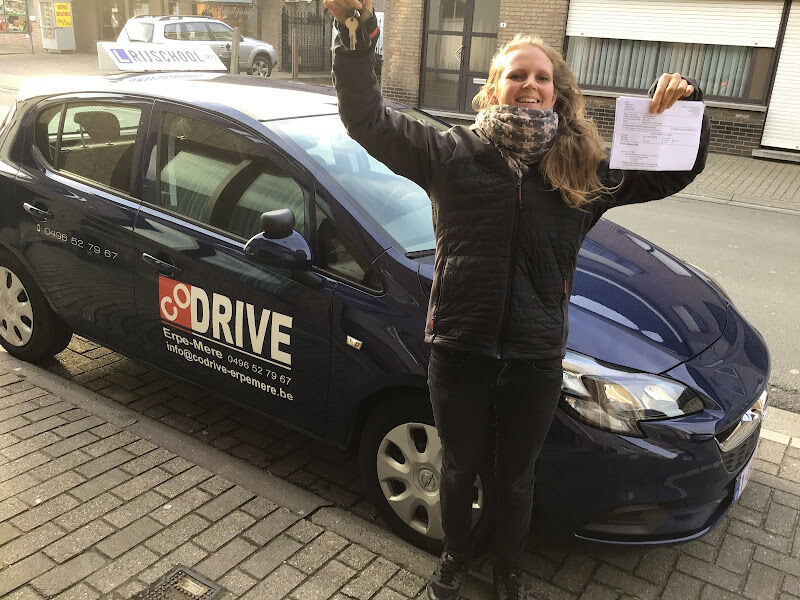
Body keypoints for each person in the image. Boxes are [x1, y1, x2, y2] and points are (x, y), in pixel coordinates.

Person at [323, 1, 710, 599]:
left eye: (542, 77)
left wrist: (687, 110)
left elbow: (670, 173)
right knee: (458, 467)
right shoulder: (450, 154)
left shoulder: (581, 170)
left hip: (534, 352)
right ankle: (455, 559)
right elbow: (367, 119)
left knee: (515, 477)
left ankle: (508, 571)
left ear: (557, 92)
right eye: (517, 74)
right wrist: (355, 35)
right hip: (460, 344)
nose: (530, 85)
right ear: (494, 88)